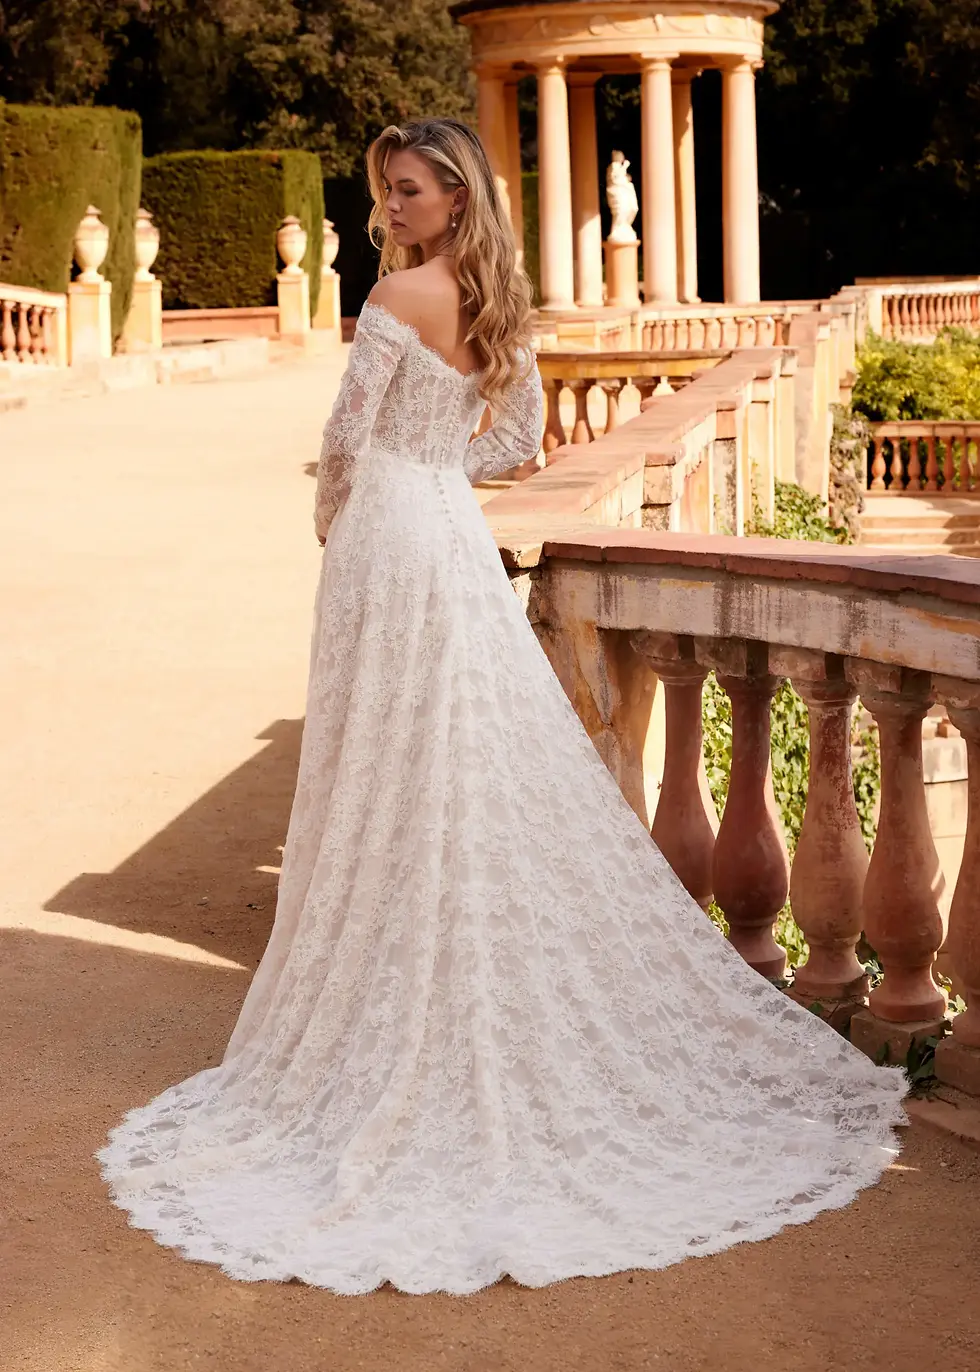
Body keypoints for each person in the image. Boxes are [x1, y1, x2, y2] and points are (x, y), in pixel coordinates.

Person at [98, 118, 907, 1297]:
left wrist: (344, 513)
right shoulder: (494, 305)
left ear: (455, 193)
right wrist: (438, 472)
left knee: (387, 764)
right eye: (386, 191)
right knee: (458, 763)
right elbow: (520, 441)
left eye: (409, 190)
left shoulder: (391, 300)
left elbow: (338, 442)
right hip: (446, 539)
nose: (390, 207)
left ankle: (393, 1007)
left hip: (384, 541)